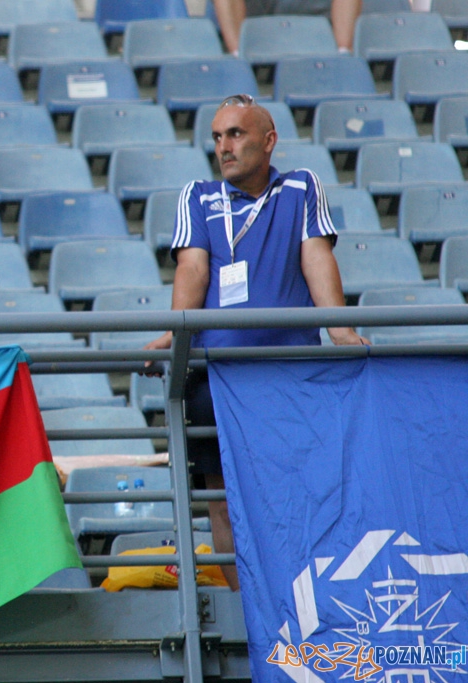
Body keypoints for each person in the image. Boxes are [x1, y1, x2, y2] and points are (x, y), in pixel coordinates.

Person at [143, 94, 368, 590]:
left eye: (236, 134)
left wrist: (339, 326)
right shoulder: (197, 196)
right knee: (223, 500)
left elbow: (315, 257)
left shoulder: (301, 187)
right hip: (218, 376)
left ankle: (304, 597)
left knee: (302, 491)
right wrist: (174, 331)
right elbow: (193, 266)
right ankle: (247, 610)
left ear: (268, 142)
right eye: (218, 137)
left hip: (293, 373)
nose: (224, 147)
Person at [212, 0, 363, 55]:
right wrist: (239, 52)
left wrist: (342, 51)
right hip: (256, 20)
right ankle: (239, 55)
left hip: (314, 22)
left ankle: (342, 54)